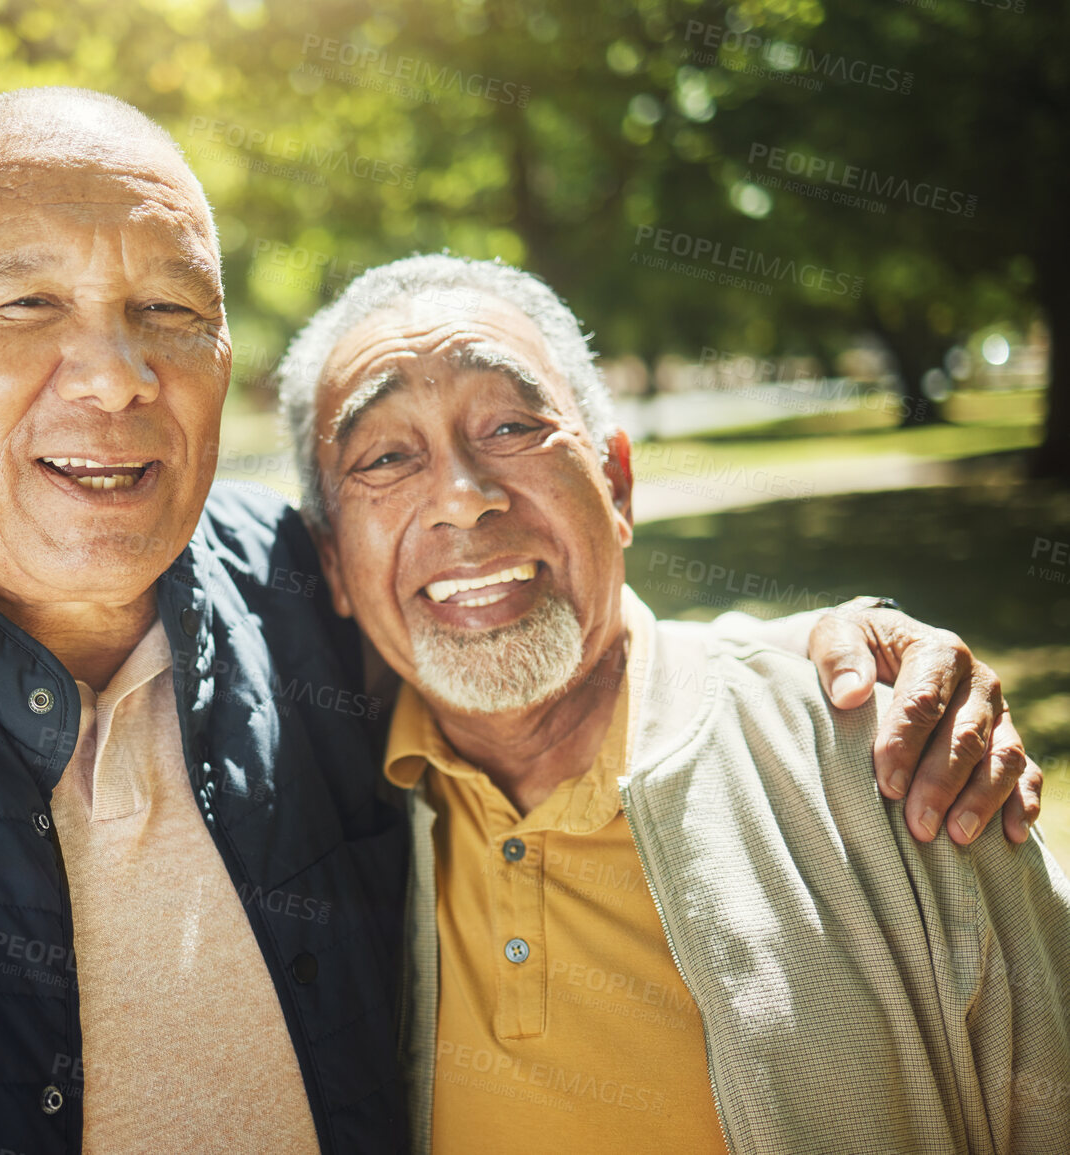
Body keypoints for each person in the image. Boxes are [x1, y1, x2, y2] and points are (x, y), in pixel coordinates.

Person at [0, 90, 1041, 1155]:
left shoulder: (302, 608)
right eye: (23, 306)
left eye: (169, 311)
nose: (113, 377)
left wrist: (848, 647)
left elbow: (527, 604)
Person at [277, 253, 1070, 1153]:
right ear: (333, 562)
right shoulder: (313, 831)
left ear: (615, 482)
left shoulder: (891, 762)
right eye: (384, 454)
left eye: (507, 425)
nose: (463, 498)